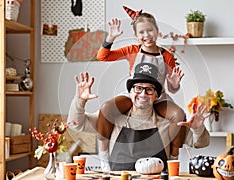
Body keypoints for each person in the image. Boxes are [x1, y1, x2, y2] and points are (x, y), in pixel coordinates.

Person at [67, 62, 210, 171]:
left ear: (156, 96)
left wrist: (198, 129)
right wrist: (80, 100)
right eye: (138, 88)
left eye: (149, 90)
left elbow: (201, 143)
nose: (142, 94)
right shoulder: (113, 118)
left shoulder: (166, 123)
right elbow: (75, 124)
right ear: (130, 92)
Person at [96, 6, 186, 169]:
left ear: (157, 31)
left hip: (158, 96)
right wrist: (110, 38)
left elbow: (172, 89)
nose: (147, 36)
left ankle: (173, 158)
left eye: (150, 31)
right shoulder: (131, 50)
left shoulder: (166, 56)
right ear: (136, 36)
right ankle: (103, 155)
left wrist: (174, 84)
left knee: (179, 115)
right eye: (142, 32)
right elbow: (103, 57)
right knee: (106, 108)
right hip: (134, 95)